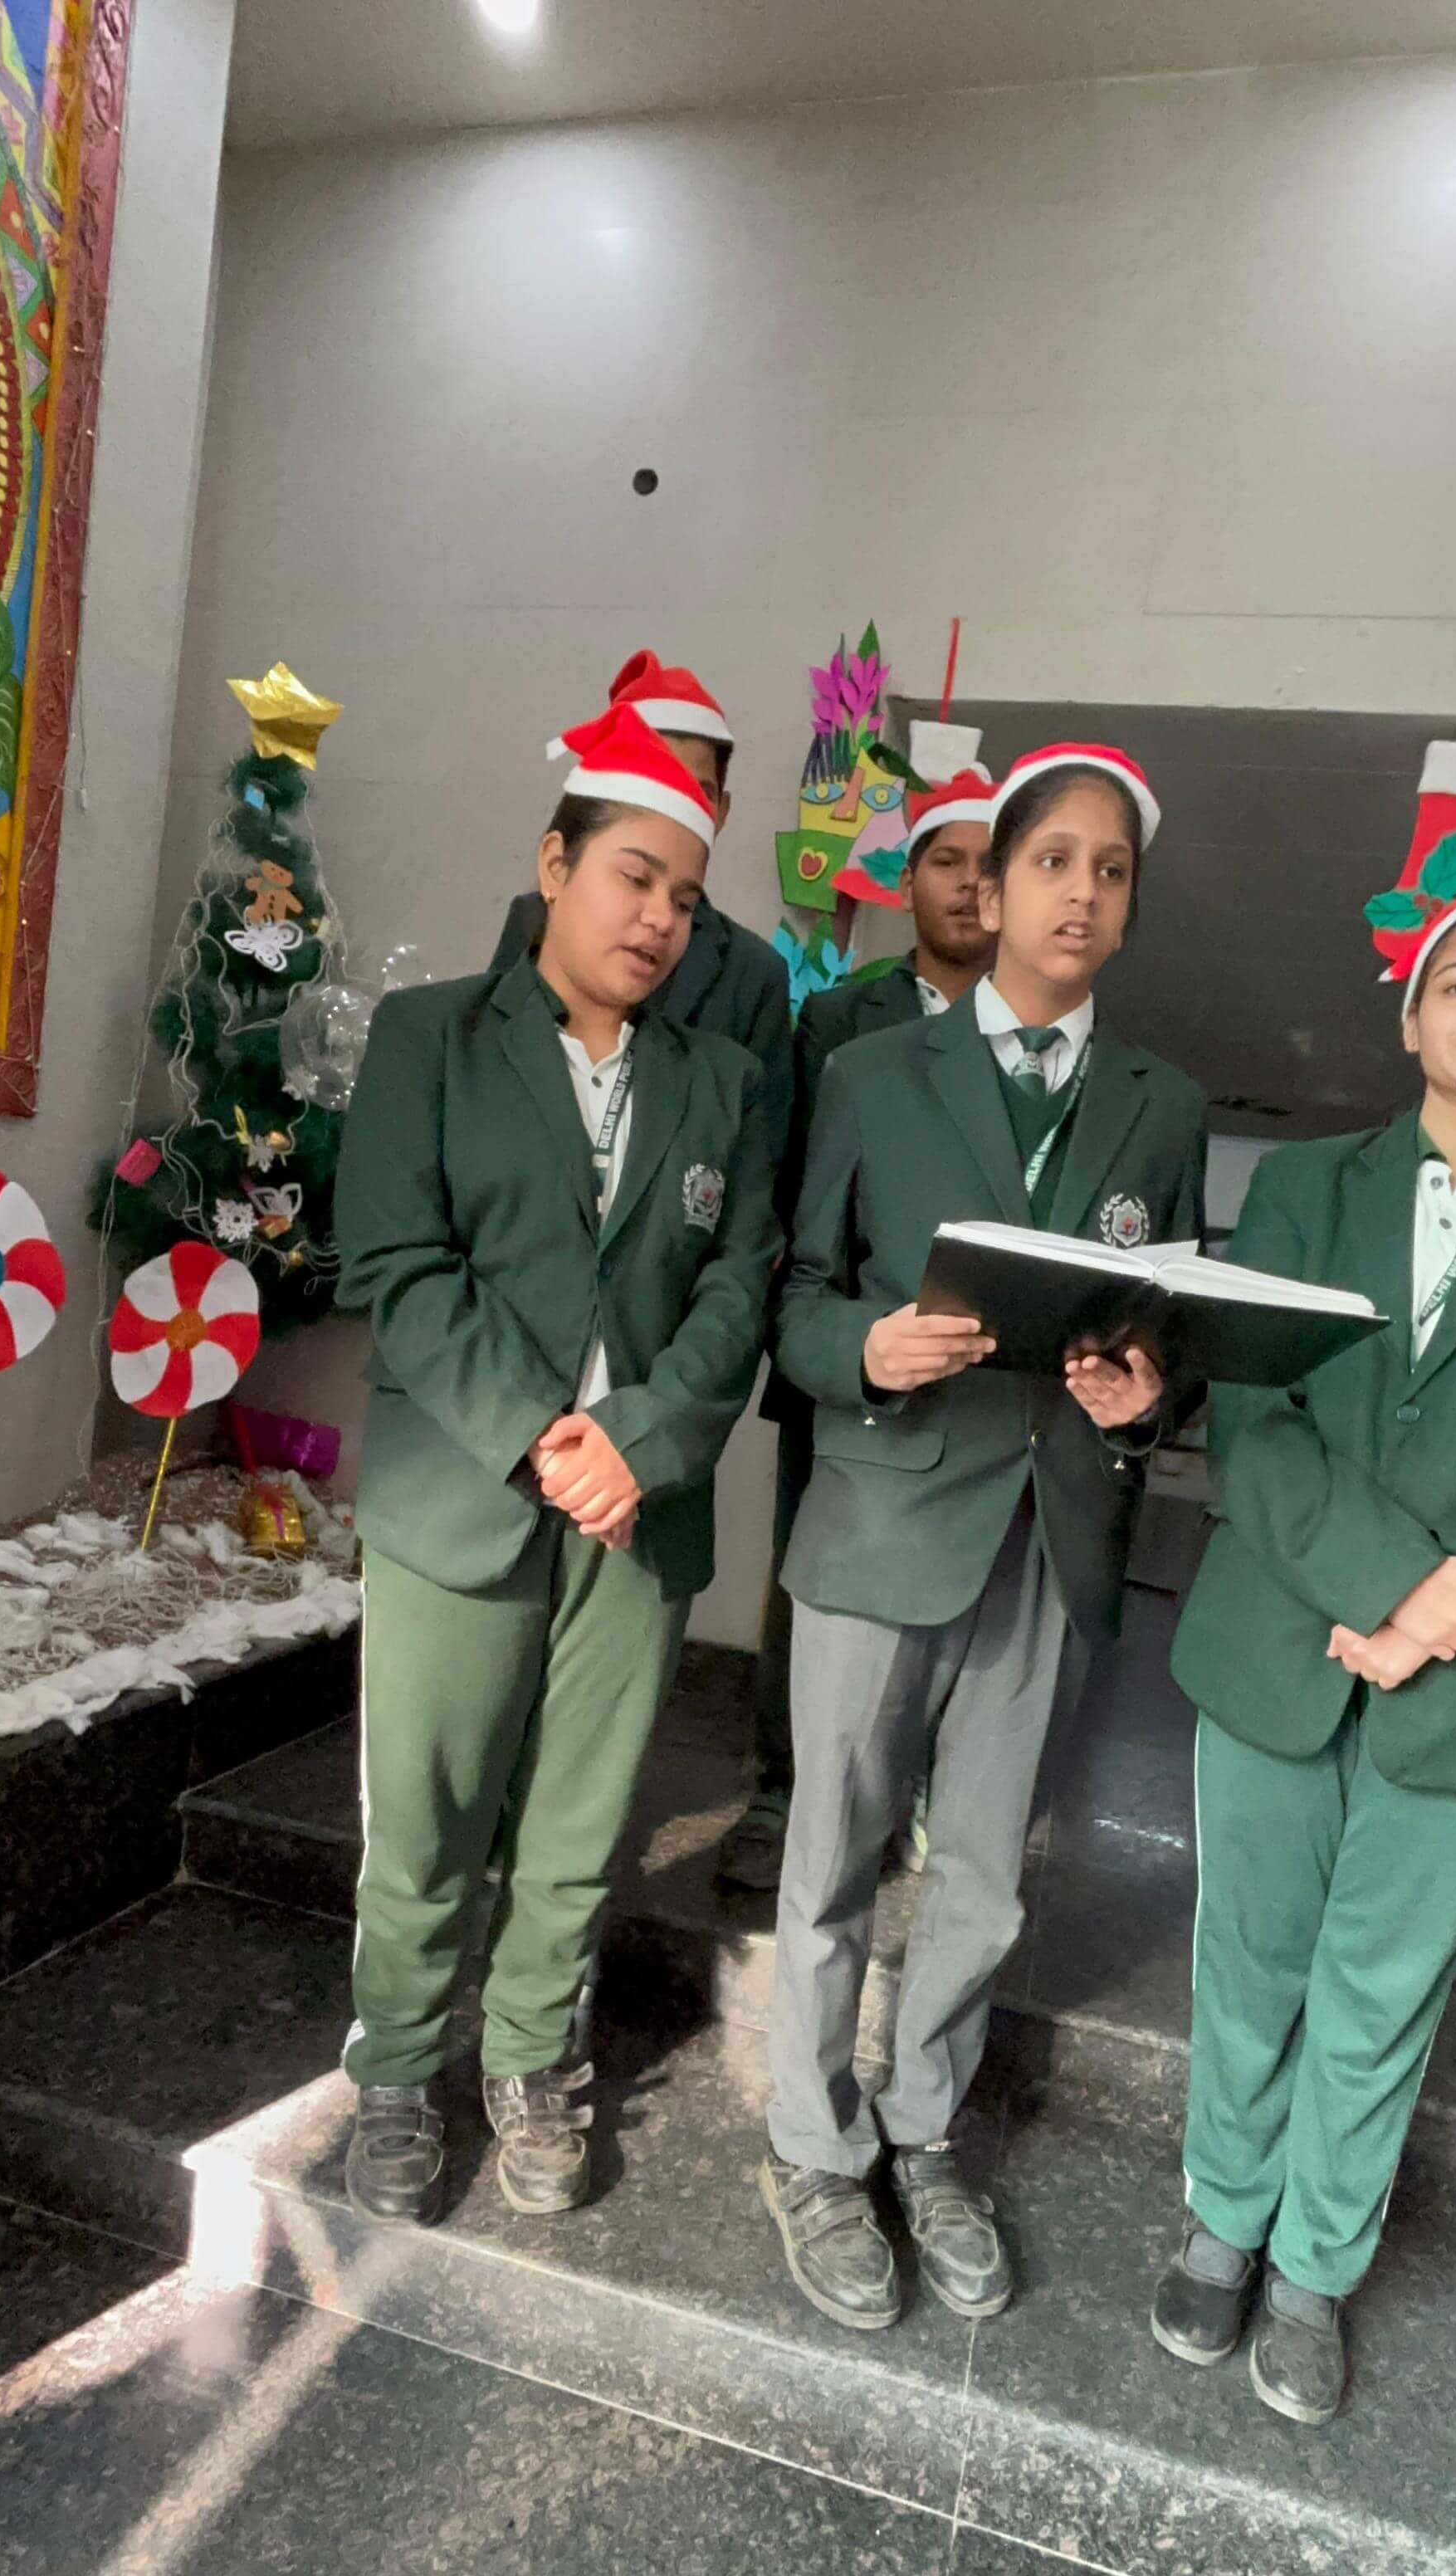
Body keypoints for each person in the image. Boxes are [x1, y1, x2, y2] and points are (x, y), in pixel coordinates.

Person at [763, 743, 1208, 2329]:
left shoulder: (1161, 1105)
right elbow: (796, 1298)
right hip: (884, 1520)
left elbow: (1169, 1329)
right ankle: (816, 2148)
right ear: (993, 885)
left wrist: (1146, 1397)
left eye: (1112, 871)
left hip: (1050, 1534)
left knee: (984, 1882)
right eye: (1053, 862)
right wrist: (867, 1349)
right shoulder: (877, 1072)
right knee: (832, 1855)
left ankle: (925, 2131)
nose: (1082, 893)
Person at [1156, 875, 1456, 2425]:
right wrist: (1389, 1585)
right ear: (1409, 1017)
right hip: (1284, 1633)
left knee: (1381, 1985)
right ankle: (1223, 2221)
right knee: (1251, 1955)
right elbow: (1255, 1413)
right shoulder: (1303, 1188)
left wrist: (1451, 1598)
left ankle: (1314, 2269)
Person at [335, 701, 780, 2231]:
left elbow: (739, 1287)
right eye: (632, 878)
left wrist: (636, 1443)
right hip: (462, 1492)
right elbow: (398, 1262)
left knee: (580, 1825)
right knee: (428, 1814)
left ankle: (531, 2058)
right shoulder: (432, 1038)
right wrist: (542, 1436)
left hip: (636, 1515)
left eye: (684, 897)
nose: (658, 918)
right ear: (555, 864)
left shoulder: (721, 1081)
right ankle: (399, 2065)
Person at [718, 765, 1000, 1893]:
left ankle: (909, 1794)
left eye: (989, 864)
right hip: (847, 1349)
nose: (969, 885)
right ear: (908, 880)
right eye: (946, 861)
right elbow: (795, 1186)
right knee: (810, 1574)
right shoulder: (838, 1020)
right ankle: (781, 1791)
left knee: (963, 1597)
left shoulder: (1031, 1032)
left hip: (984, 1372)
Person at [493, 648, 793, 1169]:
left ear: (722, 811)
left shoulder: (754, 972)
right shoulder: (533, 921)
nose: (673, 805)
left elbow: (763, 1161)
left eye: (697, 792)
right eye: (653, 779)